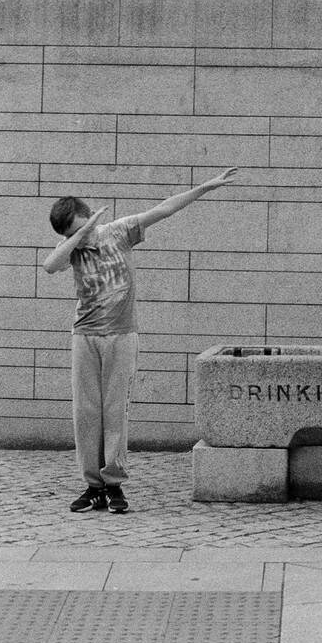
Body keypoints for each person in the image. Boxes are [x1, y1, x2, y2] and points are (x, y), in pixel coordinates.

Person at [43, 169, 238, 513]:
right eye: (72, 234)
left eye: (82, 229)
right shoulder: (71, 248)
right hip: (85, 335)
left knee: (114, 410)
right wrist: (79, 235)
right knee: (85, 411)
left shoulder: (119, 231)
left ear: (90, 216)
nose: (81, 238)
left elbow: (164, 209)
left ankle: (113, 484)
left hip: (121, 334)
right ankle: (93, 486)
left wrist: (205, 187)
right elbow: (50, 265)